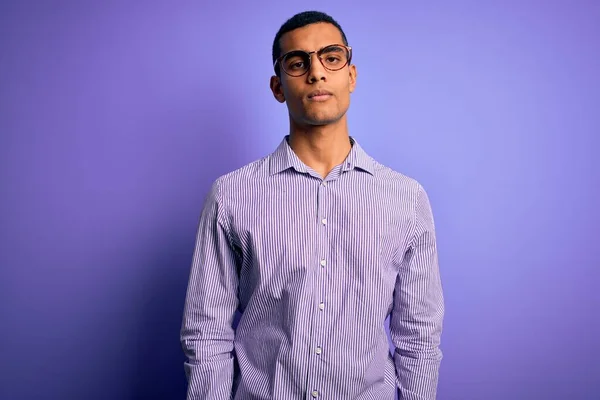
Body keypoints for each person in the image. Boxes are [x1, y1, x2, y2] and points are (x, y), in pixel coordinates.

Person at [180, 10, 444, 400]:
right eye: (298, 62)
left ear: (351, 76)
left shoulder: (405, 198)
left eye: (331, 58)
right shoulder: (231, 196)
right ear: (278, 86)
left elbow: (419, 338)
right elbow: (206, 333)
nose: (316, 73)